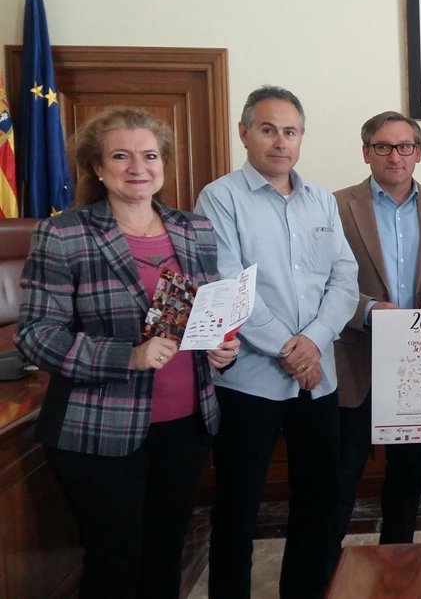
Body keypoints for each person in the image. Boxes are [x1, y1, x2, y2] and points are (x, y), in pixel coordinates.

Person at [15, 107, 239, 597]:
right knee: (114, 566)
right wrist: (128, 356)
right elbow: (36, 335)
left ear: (164, 164)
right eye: (121, 156)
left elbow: (207, 315)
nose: (138, 167)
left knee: (165, 557)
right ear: (97, 167)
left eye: (150, 156)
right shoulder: (64, 234)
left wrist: (223, 346)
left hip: (187, 425)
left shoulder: (194, 229)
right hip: (98, 431)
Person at [196, 85, 358, 599]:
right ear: (244, 133)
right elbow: (229, 284)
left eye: (290, 131)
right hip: (249, 381)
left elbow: (344, 280)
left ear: (302, 137)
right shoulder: (220, 198)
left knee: (318, 501)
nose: (280, 141)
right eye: (268, 130)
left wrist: (313, 341)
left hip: (318, 381)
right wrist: (293, 351)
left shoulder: (321, 200)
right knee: (238, 506)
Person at [333, 111, 421, 545]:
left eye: (405, 146)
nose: (395, 156)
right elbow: (321, 282)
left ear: (418, 152)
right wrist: (369, 310)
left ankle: (398, 560)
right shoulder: (335, 206)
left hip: (419, 366)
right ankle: (328, 567)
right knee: (341, 474)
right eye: (383, 146)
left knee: (408, 475)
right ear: (366, 152)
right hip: (355, 359)